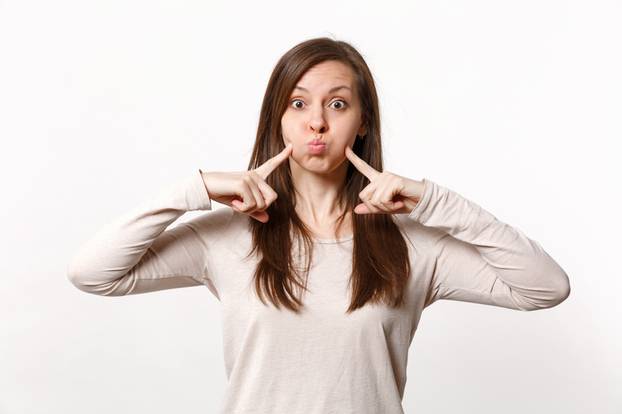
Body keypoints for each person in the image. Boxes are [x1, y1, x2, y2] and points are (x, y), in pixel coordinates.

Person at [67, 37, 571, 414]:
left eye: (337, 104)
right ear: (278, 120)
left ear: (363, 121)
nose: (317, 124)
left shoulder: (413, 246)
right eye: (299, 103)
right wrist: (192, 191)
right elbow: (93, 273)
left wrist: (434, 200)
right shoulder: (227, 236)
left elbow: (545, 288)